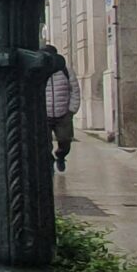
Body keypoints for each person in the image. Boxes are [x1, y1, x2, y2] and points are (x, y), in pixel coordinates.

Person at [44, 41, 77, 173]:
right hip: (44, 114)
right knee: (44, 144)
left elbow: (74, 90)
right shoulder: (39, 71)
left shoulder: (65, 70)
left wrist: (72, 110)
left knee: (65, 140)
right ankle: (49, 161)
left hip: (63, 113)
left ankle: (61, 156)